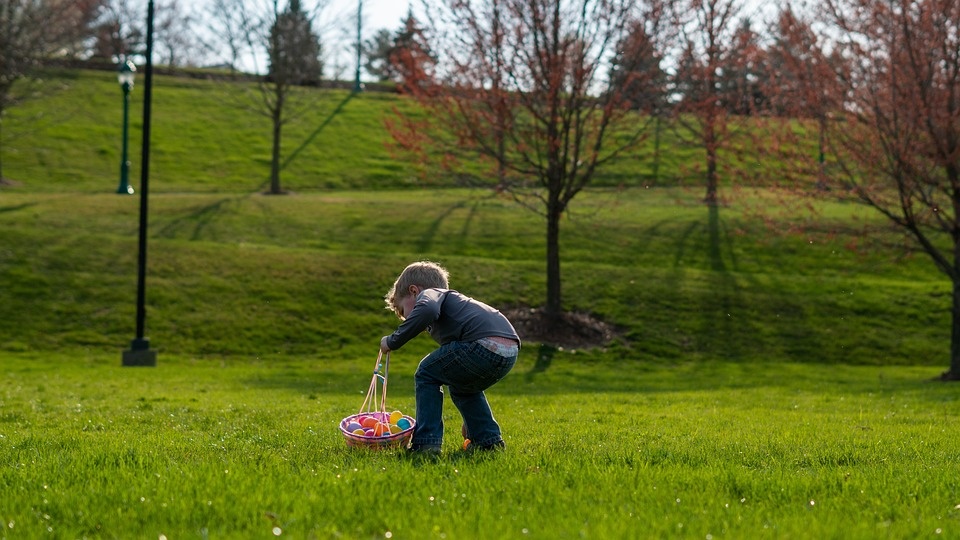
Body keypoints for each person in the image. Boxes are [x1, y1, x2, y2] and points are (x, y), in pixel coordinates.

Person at [380, 261, 520, 455]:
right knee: (463, 388)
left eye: (404, 312)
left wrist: (392, 341)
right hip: (509, 350)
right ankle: (488, 442)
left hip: (482, 343)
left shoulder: (430, 294)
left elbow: (426, 310)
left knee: (426, 373)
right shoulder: (452, 307)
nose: (406, 319)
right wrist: (471, 420)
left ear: (414, 291)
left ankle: (426, 444)